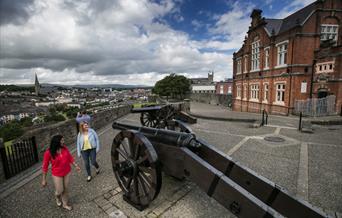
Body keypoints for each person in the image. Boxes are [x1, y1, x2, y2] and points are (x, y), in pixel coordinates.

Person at [41, 135, 81, 211]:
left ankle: (65, 204)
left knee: (65, 189)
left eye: (63, 140)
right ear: (57, 142)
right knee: (59, 190)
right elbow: (45, 166)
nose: (63, 142)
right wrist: (44, 179)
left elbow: (70, 157)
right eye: (62, 141)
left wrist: (76, 166)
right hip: (57, 174)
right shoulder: (48, 153)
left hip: (66, 171)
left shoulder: (64, 148)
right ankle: (57, 196)